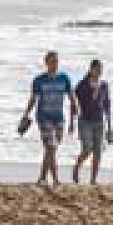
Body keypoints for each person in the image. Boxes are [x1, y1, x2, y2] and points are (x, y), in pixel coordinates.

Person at [21, 51, 77, 187]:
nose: (54, 64)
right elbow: (33, 99)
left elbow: (72, 99)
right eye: (52, 61)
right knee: (51, 147)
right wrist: (26, 114)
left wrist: (72, 122)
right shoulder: (39, 80)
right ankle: (56, 179)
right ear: (46, 63)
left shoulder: (64, 78)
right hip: (43, 117)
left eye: (56, 61)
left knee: (51, 149)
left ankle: (42, 178)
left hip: (59, 118)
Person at [72, 59, 113, 185]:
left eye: (101, 69)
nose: (99, 71)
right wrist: (72, 120)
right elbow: (73, 101)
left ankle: (93, 179)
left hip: (99, 122)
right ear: (91, 69)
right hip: (85, 121)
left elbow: (107, 105)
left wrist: (110, 125)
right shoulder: (82, 84)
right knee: (87, 148)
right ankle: (76, 168)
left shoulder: (104, 85)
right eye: (97, 69)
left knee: (98, 151)